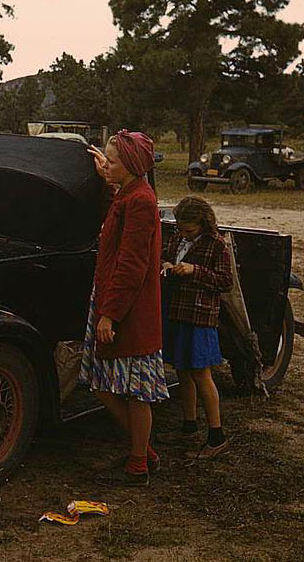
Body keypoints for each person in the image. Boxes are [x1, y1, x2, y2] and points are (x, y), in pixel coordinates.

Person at [79, 130, 168, 486]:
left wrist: (110, 313)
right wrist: (108, 176)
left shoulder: (142, 202)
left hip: (129, 309)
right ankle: (143, 451)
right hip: (115, 301)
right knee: (103, 383)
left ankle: (138, 463)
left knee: (135, 391)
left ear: (130, 165)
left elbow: (132, 265)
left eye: (113, 161)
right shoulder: (132, 194)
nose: (107, 165)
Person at [158, 196, 233, 458]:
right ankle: (189, 425)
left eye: (189, 229)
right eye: (181, 228)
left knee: (201, 373)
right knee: (182, 369)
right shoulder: (177, 238)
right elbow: (165, 256)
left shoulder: (216, 245)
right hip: (177, 311)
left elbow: (225, 282)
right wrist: (166, 265)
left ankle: (216, 435)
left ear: (203, 223)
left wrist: (195, 271)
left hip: (200, 316)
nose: (183, 233)